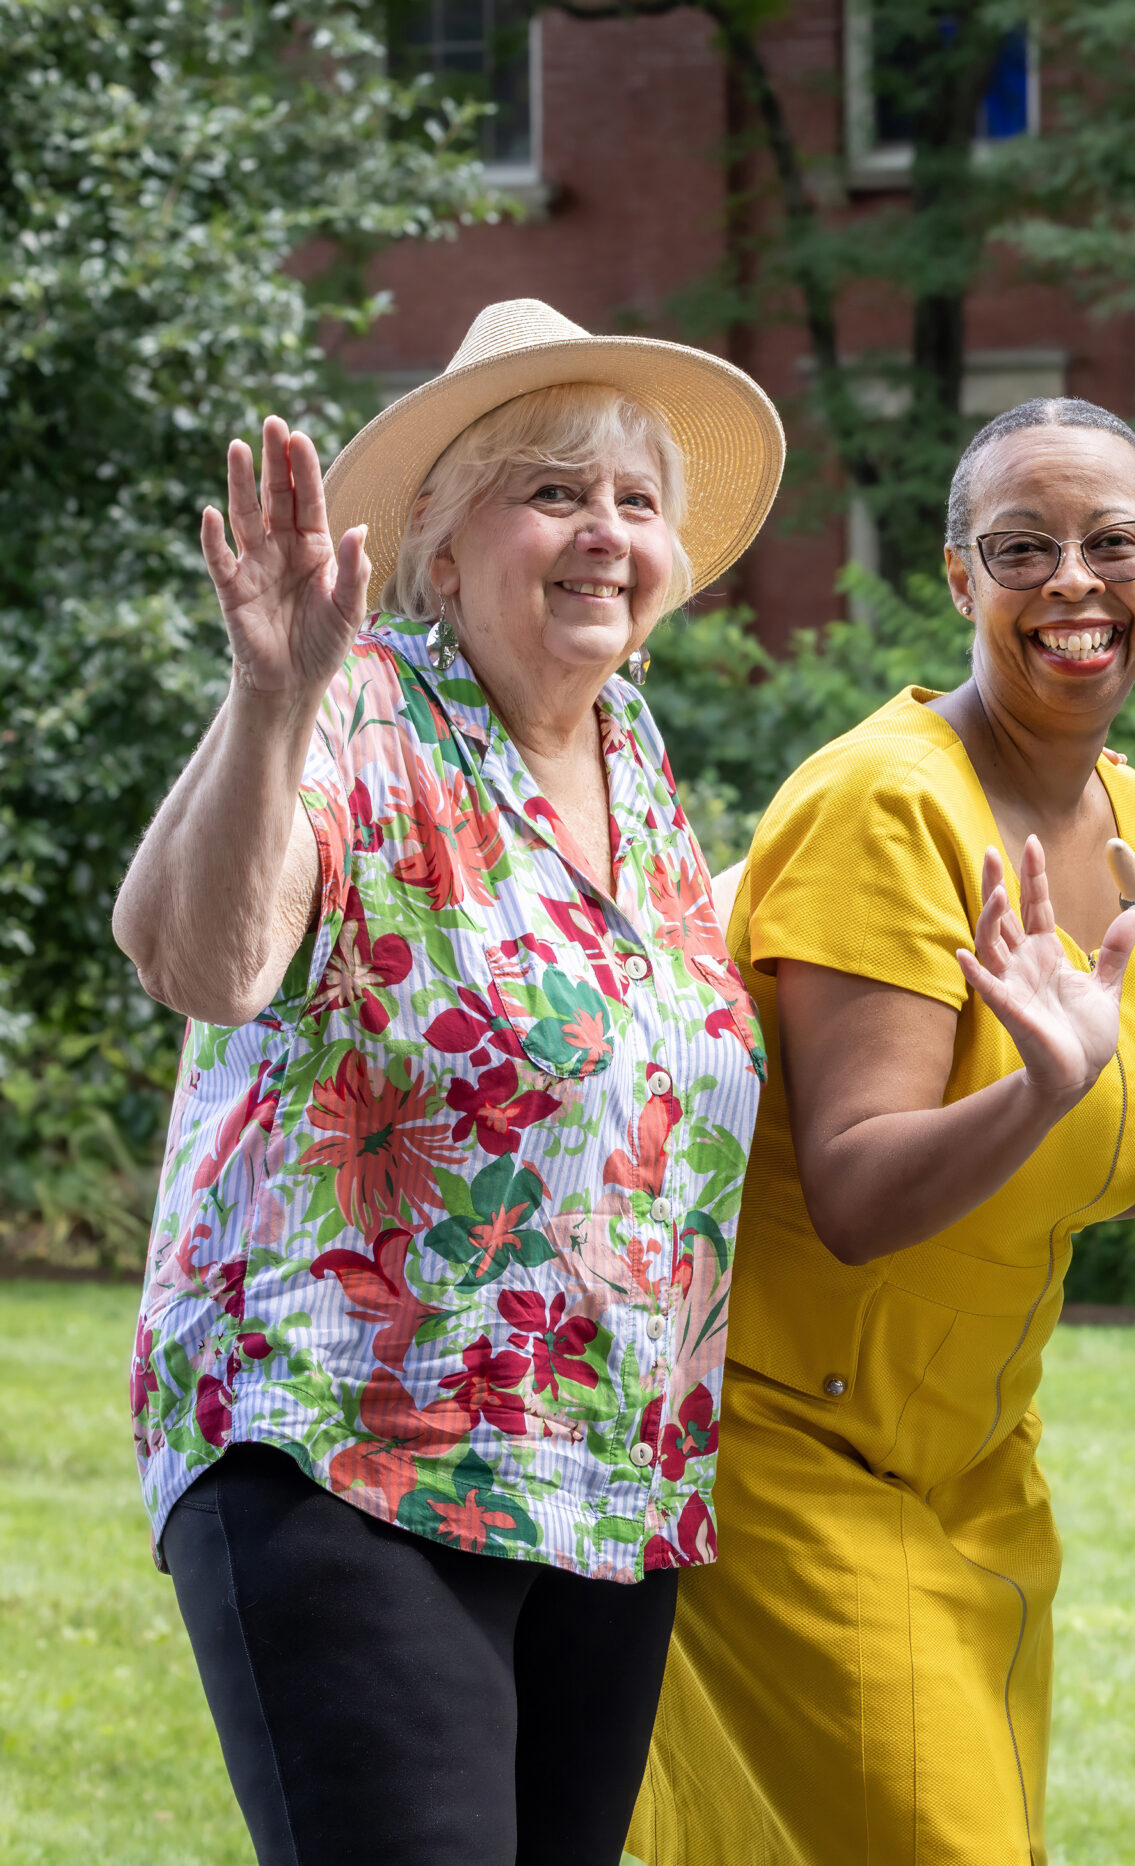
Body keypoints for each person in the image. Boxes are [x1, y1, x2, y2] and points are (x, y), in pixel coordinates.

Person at [630, 396, 1135, 1866]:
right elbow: (853, 1190)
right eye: (1022, 547)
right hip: (794, 1456)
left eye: (1113, 543)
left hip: (980, 1474)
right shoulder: (888, 806)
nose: (1072, 583)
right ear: (960, 580)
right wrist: (1037, 1089)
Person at [115, 298, 783, 1865]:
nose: (604, 533)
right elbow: (198, 961)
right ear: (437, 534)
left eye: (633, 499)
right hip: (346, 1451)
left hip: (602, 1487)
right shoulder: (359, 711)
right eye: (552, 490)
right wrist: (269, 699)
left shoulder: (637, 756)